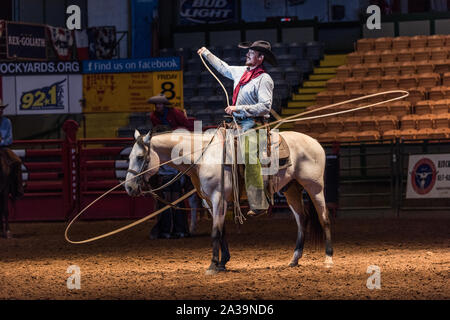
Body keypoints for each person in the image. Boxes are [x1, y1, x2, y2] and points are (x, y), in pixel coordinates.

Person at [197, 40, 277, 217]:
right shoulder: (241, 72)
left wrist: (238, 108)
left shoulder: (264, 79)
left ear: (260, 58)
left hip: (253, 123)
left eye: (251, 52)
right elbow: (223, 68)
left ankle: (258, 202)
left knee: (249, 155)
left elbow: (265, 106)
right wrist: (207, 54)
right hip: (236, 122)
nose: (247, 54)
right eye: (248, 52)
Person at [147, 94, 192, 239]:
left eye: (160, 104)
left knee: (171, 196)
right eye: (156, 105)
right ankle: (177, 229)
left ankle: (172, 228)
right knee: (172, 196)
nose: (158, 107)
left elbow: (187, 126)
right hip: (170, 150)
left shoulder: (175, 114)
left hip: (178, 143)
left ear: (164, 105)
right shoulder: (154, 116)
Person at [0, 99, 24, 238]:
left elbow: (10, 139)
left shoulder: (7, 122)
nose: (0, 110)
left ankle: (17, 188)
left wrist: (2, 141)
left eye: (1, 108)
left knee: (16, 161)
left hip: (4, 148)